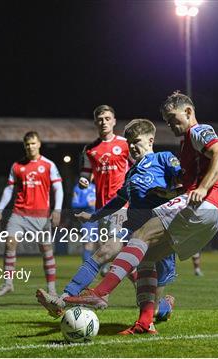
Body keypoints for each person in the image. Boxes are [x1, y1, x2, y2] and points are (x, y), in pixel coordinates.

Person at [63, 91, 218, 335]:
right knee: (146, 259)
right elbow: (185, 182)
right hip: (210, 214)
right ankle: (144, 323)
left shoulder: (198, 130)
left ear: (188, 112)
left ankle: (99, 294)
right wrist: (170, 193)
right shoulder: (185, 146)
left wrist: (203, 188)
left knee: (139, 236)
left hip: (204, 203)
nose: (170, 124)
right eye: (167, 120)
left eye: (173, 118)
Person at [37, 119, 178, 328]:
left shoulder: (164, 158)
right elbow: (119, 201)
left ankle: (164, 307)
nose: (132, 146)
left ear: (151, 140)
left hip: (160, 231)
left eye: (136, 141)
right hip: (132, 229)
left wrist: (170, 193)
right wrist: (93, 216)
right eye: (129, 142)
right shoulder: (131, 173)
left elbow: (186, 181)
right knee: (103, 252)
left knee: (154, 306)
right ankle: (62, 298)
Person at [37, 105, 131, 306]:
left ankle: (67, 296)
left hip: (123, 207)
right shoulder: (90, 149)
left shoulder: (125, 145)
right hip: (102, 209)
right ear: (95, 122)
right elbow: (86, 174)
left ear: (114, 121)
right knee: (123, 258)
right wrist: (84, 181)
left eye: (107, 118)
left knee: (104, 252)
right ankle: (150, 301)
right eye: (100, 119)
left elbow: (138, 168)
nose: (104, 122)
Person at [0, 131, 63, 296]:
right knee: (10, 243)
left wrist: (57, 209)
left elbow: (58, 188)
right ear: (24, 146)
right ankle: (8, 283)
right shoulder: (17, 166)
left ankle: (52, 289)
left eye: (33, 143)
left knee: (46, 250)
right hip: (19, 213)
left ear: (39, 144)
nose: (30, 147)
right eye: (27, 144)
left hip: (41, 216)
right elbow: (9, 189)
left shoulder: (48, 165)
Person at [71, 182, 97, 262]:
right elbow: (74, 204)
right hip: (87, 219)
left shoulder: (96, 186)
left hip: (100, 217)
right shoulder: (78, 188)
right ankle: (85, 270)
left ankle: (105, 269)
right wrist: (88, 203)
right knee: (88, 244)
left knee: (103, 244)